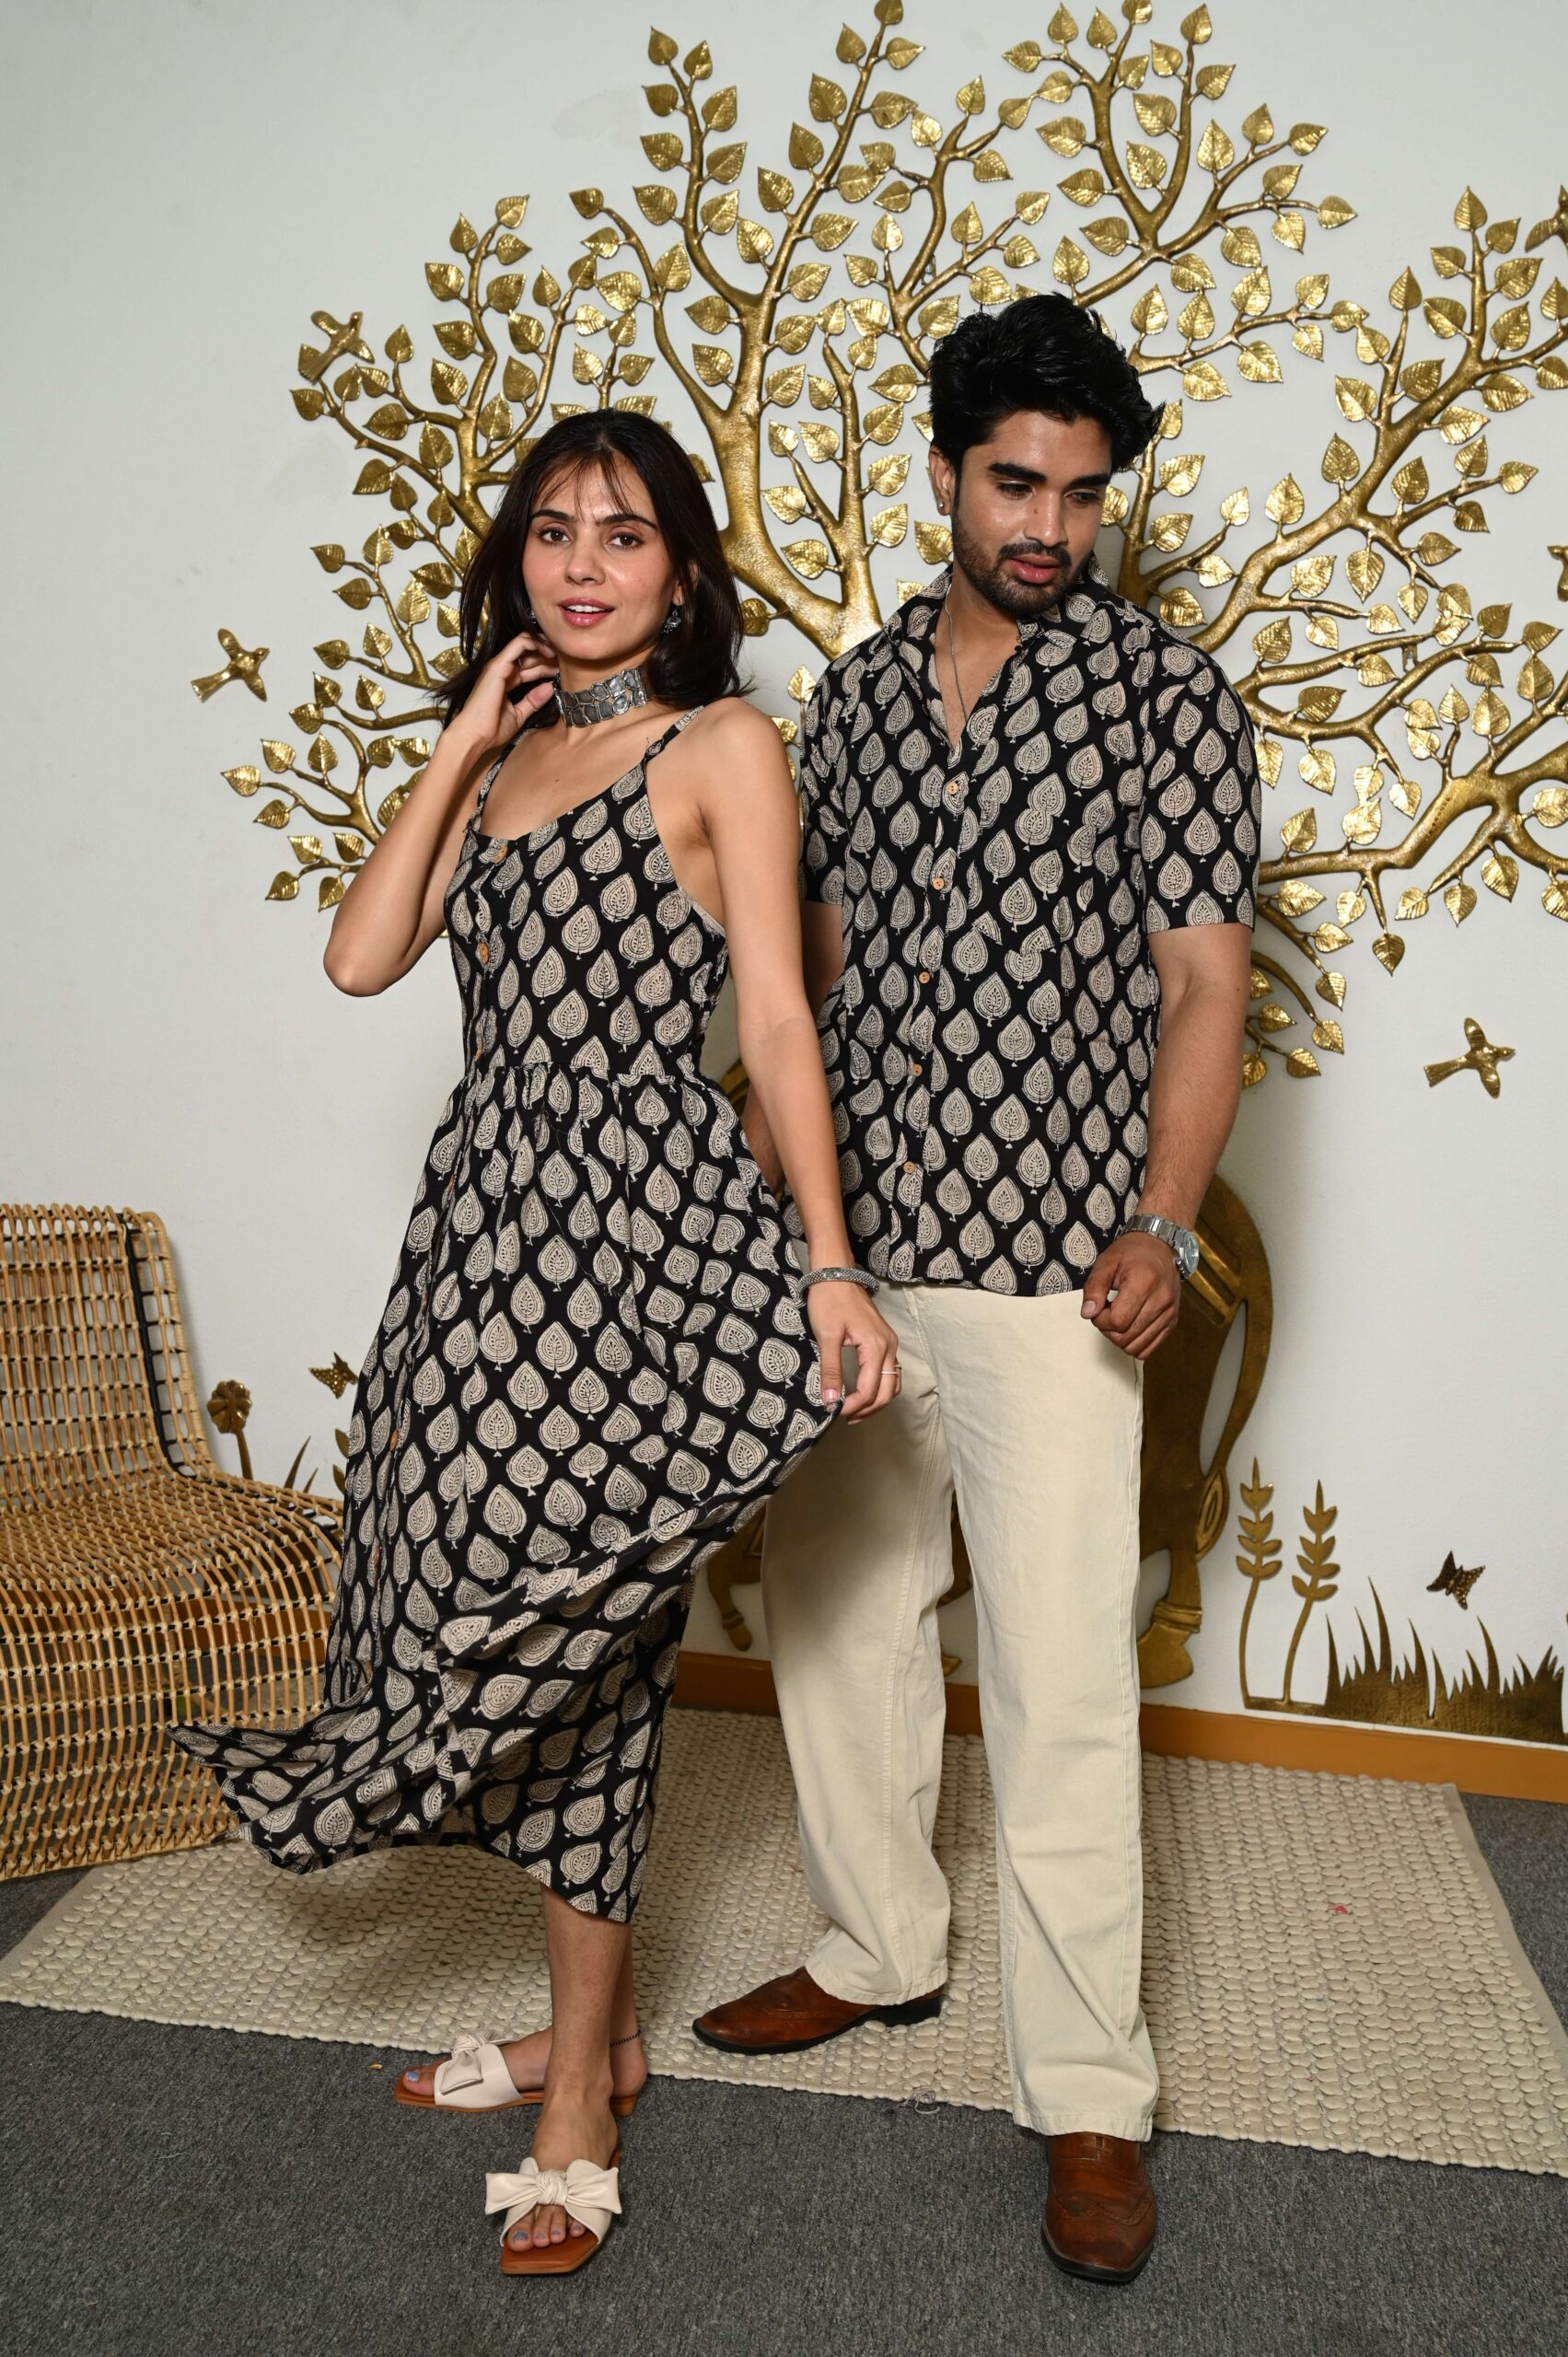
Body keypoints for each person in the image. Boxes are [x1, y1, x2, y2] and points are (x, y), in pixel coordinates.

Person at [171, 411, 899, 2277]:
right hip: (479, 1244)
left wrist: (828, 1263)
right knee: (458, 1588)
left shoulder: (721, 747)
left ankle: (581, 2086)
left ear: (682, 570)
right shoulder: (501, 764)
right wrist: (455, 746)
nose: (584, 564)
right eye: (554, 531)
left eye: (625, 534)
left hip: (641, 1243)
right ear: (517, 562)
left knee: (591, 1625)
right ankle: (602, 2031)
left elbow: (779, 1017)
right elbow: (360, 958)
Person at [692, 294, 1260, 2285]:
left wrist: (1163, 1224)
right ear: (944, 472)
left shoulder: (1170, 699)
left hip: (1055, 1267)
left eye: (1083, 495)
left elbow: (1205, 986)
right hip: (858, 1254)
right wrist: (784, 1225)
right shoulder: (849, 703)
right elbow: (812, 984)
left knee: (1062, 1677)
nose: (1049, 526)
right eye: (1016, 483)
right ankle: (876, 1944)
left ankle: (1089, 2085)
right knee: (842, 1622)